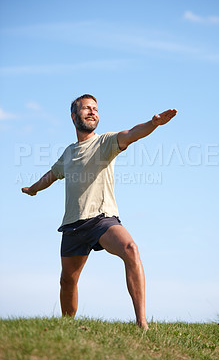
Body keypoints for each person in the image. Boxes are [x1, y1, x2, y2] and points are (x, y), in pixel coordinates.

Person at [22, 94, 177, 330]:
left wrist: (153, 124)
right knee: (67, 281)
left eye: (95, 108)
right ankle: (67, 328)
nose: (92, 112)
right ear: (74, 116)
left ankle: (142, 323)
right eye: (86, 109)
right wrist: (33, 189)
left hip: (101, 220)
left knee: (130, 249)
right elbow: (52, 175)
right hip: (73, 225)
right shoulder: (68, 152)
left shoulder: (105, 143)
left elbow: (131, 134)